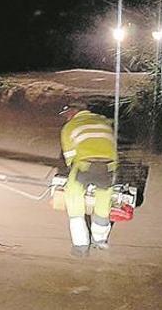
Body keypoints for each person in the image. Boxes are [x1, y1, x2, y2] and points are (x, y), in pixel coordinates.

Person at [58, 102, 118, 255]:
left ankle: (81, 247)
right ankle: (100, 241)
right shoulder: (104, 122)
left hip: (85, 165)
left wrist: (72, 175)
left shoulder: (70, 127)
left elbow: (70, 158)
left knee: (74, 200)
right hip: (109, 166)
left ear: (72, 113)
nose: (66, 118)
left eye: (66, 115)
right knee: (104, 202)